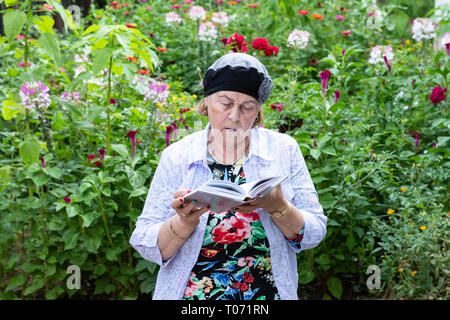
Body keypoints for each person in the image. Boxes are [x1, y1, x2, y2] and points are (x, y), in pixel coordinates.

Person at [129, 52, 327, 300]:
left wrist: (280, 208)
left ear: (258, 112)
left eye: (247, 107)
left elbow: (315, 234)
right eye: (225, 103)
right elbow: (144, 243)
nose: (234, 115)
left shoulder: (284, 150)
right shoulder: (177, 156)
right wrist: (183, 224)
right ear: (207, 102)